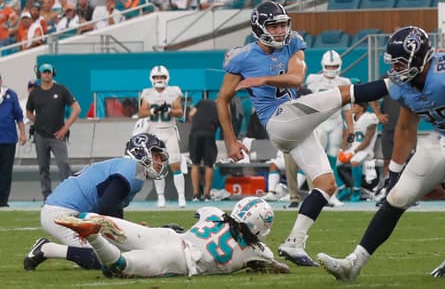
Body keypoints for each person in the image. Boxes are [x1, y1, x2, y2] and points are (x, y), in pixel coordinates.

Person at [318, 26, 445, 282]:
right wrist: (394, 172)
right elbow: (407, 128)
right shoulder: (402, 86)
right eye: (393, 63)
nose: (395, 69)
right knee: (397, 196)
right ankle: (354, 263)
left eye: (400, 62)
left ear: (419, 58)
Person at [216, 1, 388, 266]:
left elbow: (296, 78)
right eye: (273, 25)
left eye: (283, 24)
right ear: (259, 28)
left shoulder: (293, 42)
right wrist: (230, 140)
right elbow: (222, 99)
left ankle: (295, 242)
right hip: (279, 120)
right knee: (346, 93)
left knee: (327, 185)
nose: (280, 30)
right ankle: (397, 81)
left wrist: (263, 79)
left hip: (295, 122)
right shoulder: (241, 57)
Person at [24, 134, 168, 272]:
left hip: (70, 211)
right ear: (139, 151)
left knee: (115, 251)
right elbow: (106, 207)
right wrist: (125, 233)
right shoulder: (134, 169)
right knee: (107, 257)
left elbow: (112, 207)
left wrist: (128, 230)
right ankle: (46, 249)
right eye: (156, 156)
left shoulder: (130, 168)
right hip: (62, 213)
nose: (159, 162)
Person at [55, 196, 289, 277]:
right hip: (181, 259)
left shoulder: (214, 213)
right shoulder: (256, 251)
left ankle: (91, 218)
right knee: (118, 267)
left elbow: (201, 213)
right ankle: (94, 237)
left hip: (169, 236)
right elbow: (277, 267)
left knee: (130, 232)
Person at [26, 62, 80, 201]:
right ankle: (47, 198)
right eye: (44, 72)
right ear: (40, 74)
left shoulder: (61, 90)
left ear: (53, 73)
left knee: (64, 166)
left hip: (57, 135)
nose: (47, 74)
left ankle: (68, 197)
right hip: (40, 135)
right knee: (43, 168)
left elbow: (76, 108)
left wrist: (66, 127)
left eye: (49, 72)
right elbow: (28, 112)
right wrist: (38, 122)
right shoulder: (35, 93)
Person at [138, 65, 186, 207]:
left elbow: (179, 112)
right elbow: (141, 113)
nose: (159, 79)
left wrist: (168, 110)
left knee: (175, 164)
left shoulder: (174, 91)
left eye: (162, 77)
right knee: (157, 166)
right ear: (152, 79)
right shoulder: (147, 93)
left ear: (167, 78)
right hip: (155, 133)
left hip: (169, 131)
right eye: (157, 77)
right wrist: (153, 110)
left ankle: (181, 197)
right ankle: (161, 197)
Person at [302, 50, 354, 178]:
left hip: (336, 123)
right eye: (329, 66)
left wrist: (351, 130)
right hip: (319, 123)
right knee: (314, 159)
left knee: (332, 158)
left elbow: (347, 109)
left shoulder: (344, 82)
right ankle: (300, 188)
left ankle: (331, 193)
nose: (331, 69)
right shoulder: (313, 80)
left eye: (334, 66)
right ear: (323, 65)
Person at [186, 95, 221, 202]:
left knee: (195, 164)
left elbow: (191, 114)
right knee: (209, 165)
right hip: (209, 134)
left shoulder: (202, 102)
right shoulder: (221, 108)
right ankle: (207, 194)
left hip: (195, 133)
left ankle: (196, 195)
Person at [0, 74, 24, 207]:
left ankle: (3, 200)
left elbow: (18, 116)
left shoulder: (10, 95)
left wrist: (23, 133)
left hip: (8, 139)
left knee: (6, 171)